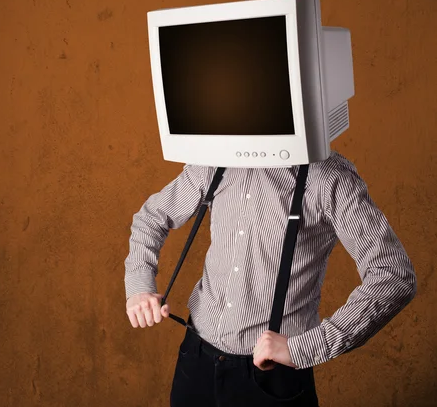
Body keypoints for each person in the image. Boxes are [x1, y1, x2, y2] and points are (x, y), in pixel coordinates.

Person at [124, 150, 417, 407]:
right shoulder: (216, 159)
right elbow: (151, 218)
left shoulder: (328, 178)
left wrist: (305, 348)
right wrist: (139, 285)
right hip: (196, 360)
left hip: (272, 379)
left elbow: (393, 276)